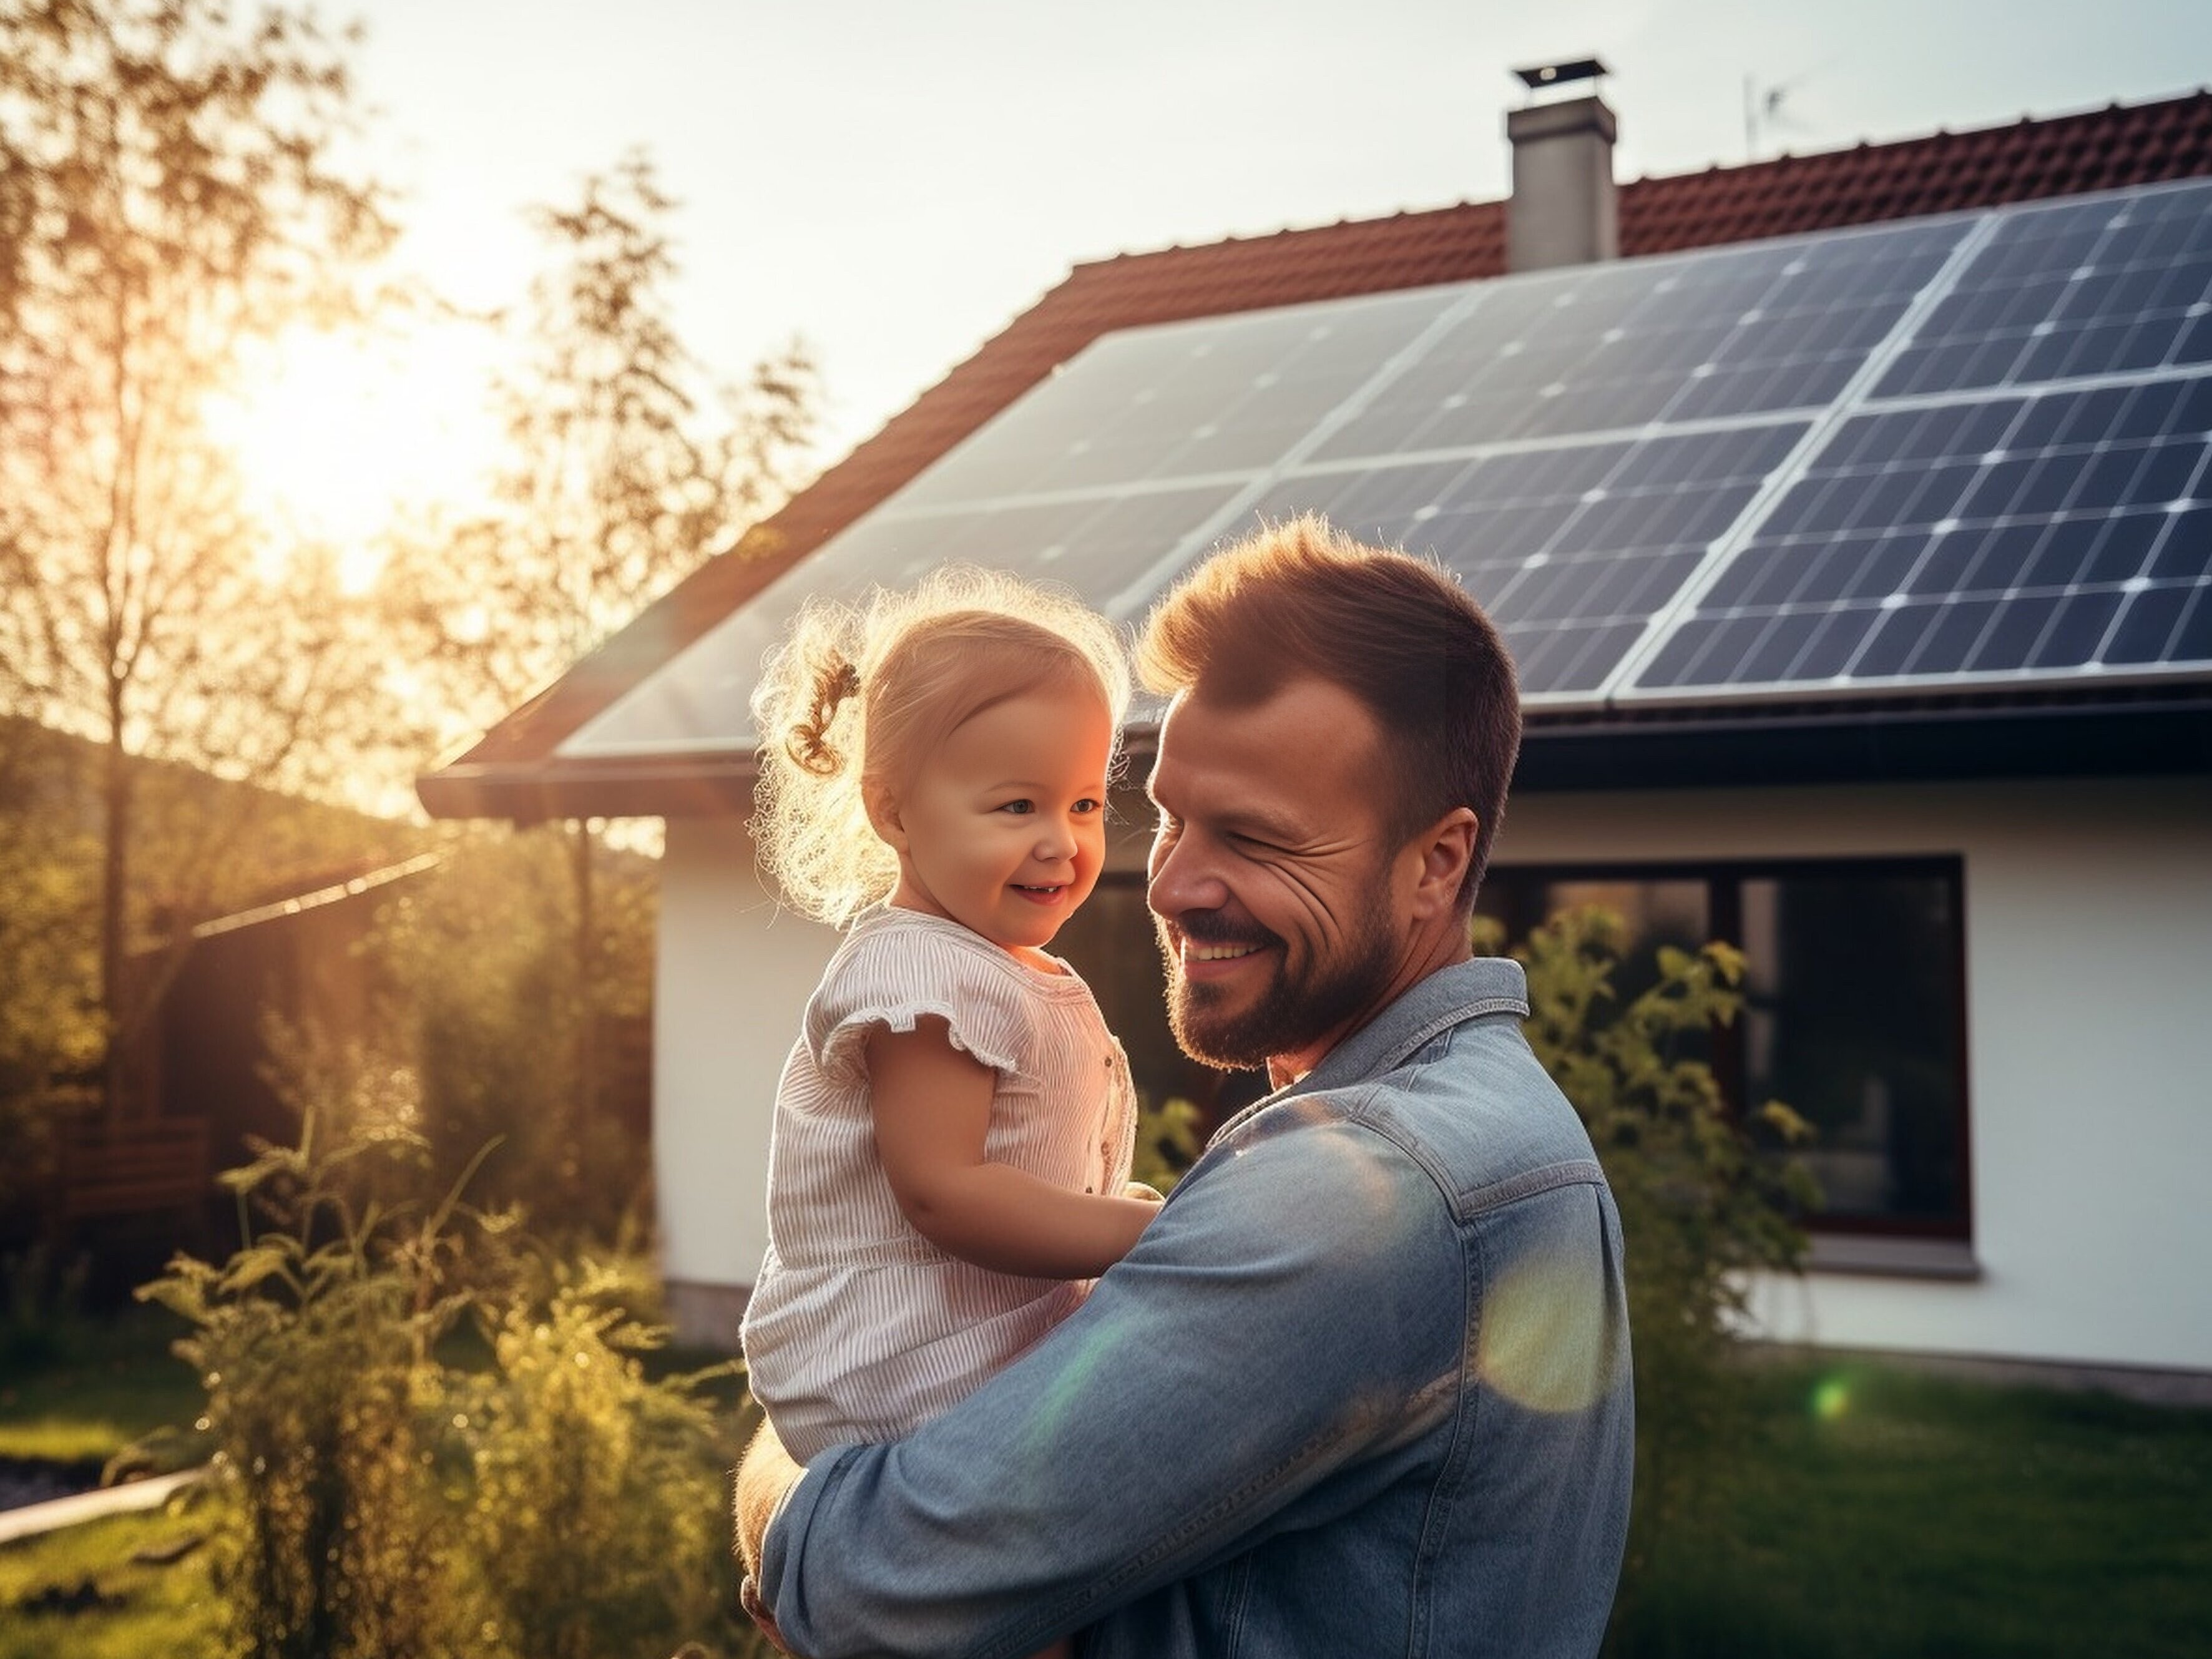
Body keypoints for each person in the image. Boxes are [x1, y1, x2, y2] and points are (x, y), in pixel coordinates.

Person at [738, 517, 1635, 1659]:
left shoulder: (1368, 1191)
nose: (1170, 884)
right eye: (1167, 815)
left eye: (1257, 837)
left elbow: (874, 1584)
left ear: (1436, 863)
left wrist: (782, 1470)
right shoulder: (1493, 1124)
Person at [739, 566, 1163, 1480]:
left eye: (1084, 802)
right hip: (904, 1363)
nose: (1063, 839)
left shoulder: (997, 966)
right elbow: (946, 1191)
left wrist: (1107, 1214)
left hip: (962, 1348)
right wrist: (1137, 1238)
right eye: (1018, 805)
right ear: (891, 809)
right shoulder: (920, 973)